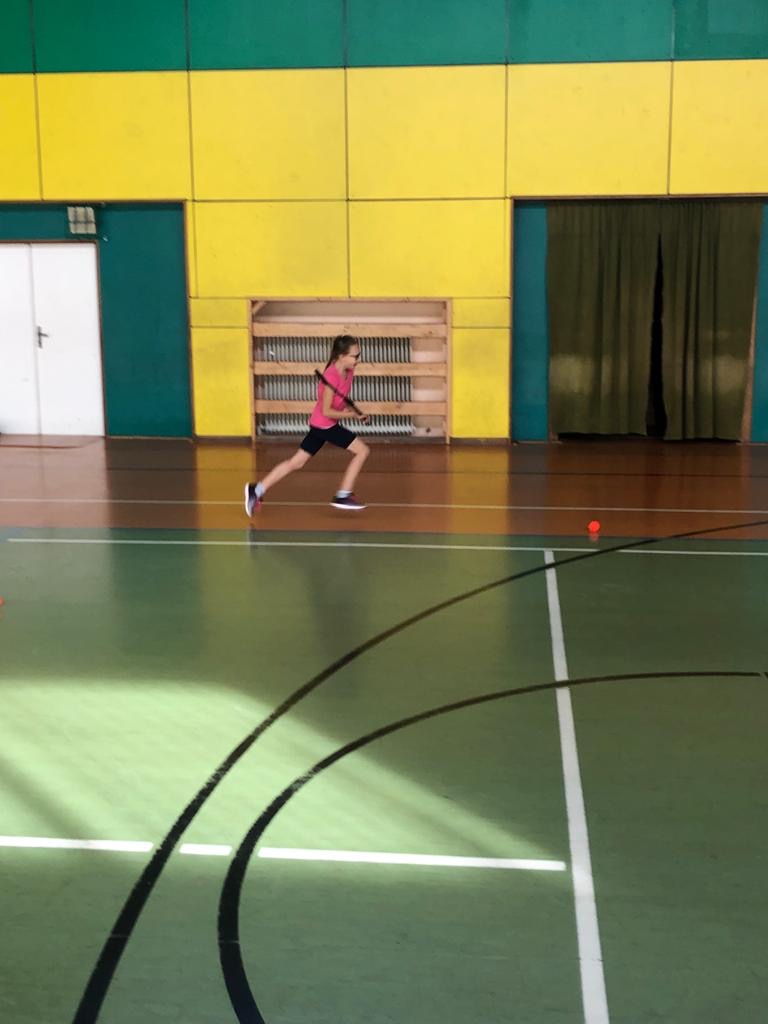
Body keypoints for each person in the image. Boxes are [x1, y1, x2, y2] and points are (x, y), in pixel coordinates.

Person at [244, 334, 370, 514]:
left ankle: (256, 490)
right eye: (354, 356)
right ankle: (343, 494)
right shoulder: (331, 376)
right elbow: (327, 411)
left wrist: (356, 412)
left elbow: (342, 397)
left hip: (320, 425)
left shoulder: (349, 371)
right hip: (325, 426)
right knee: (362, 451)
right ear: (341, 356)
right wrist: (351, 415)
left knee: (296, 462)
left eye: (358, 355)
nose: (358, 359)